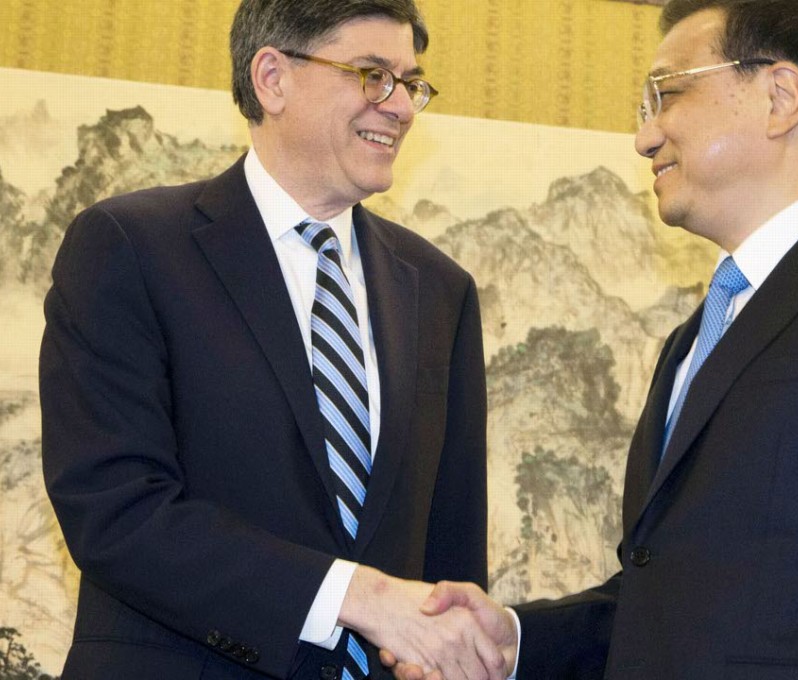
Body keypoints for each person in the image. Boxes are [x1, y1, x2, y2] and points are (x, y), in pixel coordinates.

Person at [388, 0, 798, 678]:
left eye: (667, 93)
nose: (644, 137)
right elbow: (664, 597)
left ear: (780, 97)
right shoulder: (691, 341)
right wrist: (514, 640)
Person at [39, 1, 506, 678]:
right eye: (373, 75)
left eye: (411, 83)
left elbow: (450, 553)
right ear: (272, 78)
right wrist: (354, 595)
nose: (402, 107)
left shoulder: (440, 289)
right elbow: (114, 511)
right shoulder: (131, 248)